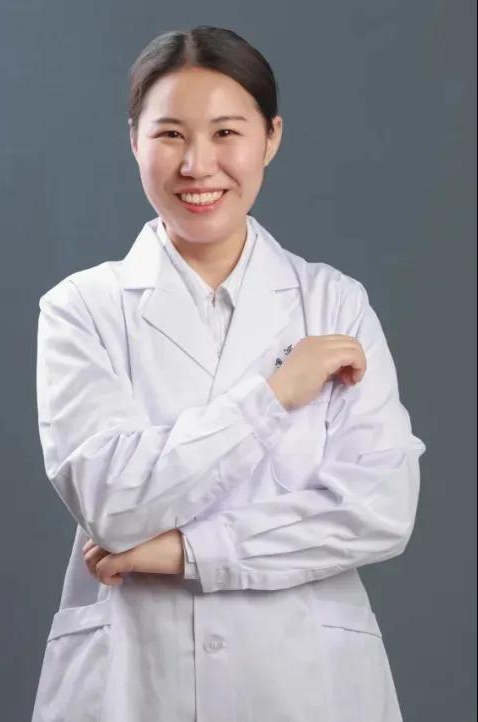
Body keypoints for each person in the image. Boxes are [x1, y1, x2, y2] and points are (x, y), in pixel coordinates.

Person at [31, 25, 426, 722]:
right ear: (134, 140)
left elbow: (379, 508)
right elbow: (112, 502)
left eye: (225, 133)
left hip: (306, 684)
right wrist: (273, 398)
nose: (198, 165)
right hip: (135, 679)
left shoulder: (334, 303)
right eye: (170, 135)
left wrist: (185, 552)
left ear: (271, 138)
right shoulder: (81, 310)